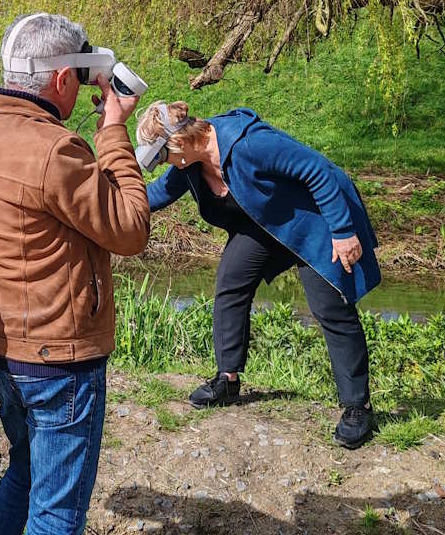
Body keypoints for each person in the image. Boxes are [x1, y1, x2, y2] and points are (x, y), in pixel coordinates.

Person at [0, 13, 151, 535]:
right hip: (59, 356)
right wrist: (114, 128)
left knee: (25, 463)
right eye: (80, 76)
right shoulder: (56, 148)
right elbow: (130, 229)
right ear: (62, 78)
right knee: (56, 524)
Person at [135, 101, 380, 449]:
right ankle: (228, 378)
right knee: (231, 282)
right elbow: (157, 193)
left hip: (315, 218)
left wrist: (342, 231)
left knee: (329, 307)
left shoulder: (249, 144)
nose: (163, 166)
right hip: (267, 221)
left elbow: (318, 170)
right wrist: (113, 203)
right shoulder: (190, 164)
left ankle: (359, 406)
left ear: (179, 144)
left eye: (162, 157)